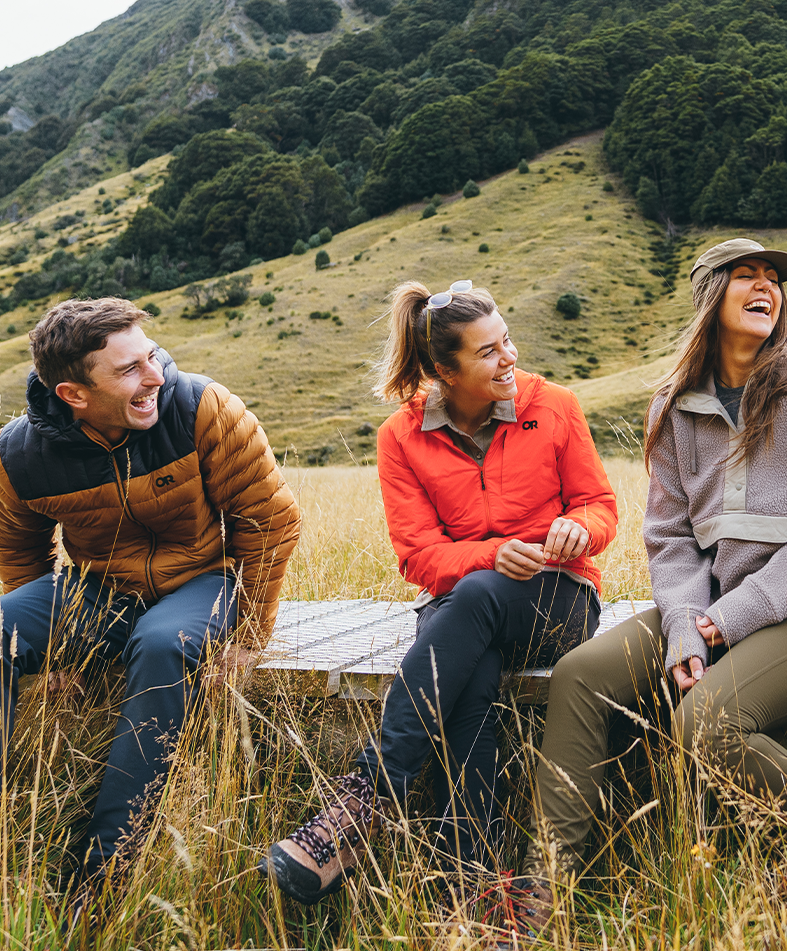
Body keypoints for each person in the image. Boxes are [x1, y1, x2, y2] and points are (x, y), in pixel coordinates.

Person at [0, 297, 301, 897]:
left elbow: (269, 519)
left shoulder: (201, 406)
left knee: (162, 643)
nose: (155, 375)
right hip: (99, 592)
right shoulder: (17, 455)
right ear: (74, 393)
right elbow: (20, 552)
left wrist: (250, 636)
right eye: (129, 370)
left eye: (150, 357)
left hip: (204, 582)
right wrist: (53, 650)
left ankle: (105, 875)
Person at [263, 279, 619, 916]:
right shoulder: (401, 436)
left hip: (558, 599)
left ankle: (369, 796)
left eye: (506, 341)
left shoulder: (554, 405)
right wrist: (488, 556)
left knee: (476, 600)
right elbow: (418, 556)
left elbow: (601, 507)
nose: (509, 357)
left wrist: (578, 530)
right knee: (472, 671)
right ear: (441, 371)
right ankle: (473, 883)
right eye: (487, 352)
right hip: (463, 611)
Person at [534, 238, 787, 875]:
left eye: (773, 279)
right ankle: (544, 885)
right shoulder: (673, 408)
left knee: (703, 725)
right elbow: (669, 538)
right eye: (746, 276)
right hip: (714, 609)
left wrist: (735, 616)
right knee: (578, 676)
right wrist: (687, 626)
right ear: (710, 298)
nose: (765, 288)